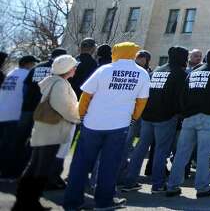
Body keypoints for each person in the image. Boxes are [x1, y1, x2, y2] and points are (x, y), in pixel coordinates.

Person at [63, 42, 150, 211]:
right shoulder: (142, 73)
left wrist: (81, 116)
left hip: (93, 123)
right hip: (119, 125)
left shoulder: (104, 70)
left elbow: (86, 96)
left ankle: (72, 202)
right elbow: (141, 102)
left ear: (116, 52)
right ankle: (104, 201)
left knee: (80, 164)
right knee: (110, 165)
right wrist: (133, 118)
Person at [13, 54, 81, 211]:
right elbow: (63, 107)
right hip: (52, 130)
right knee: (41, 168)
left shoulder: (53, 81)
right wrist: (78, 117)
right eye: (73, 66)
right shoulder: (60, 84)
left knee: (34, 165)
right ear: (68, 69)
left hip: (44, 128)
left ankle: (24, 200)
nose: (75, 69)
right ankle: (31, 202)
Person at [119, 46, 188, 193]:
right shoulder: (180, 74)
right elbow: (180, 98)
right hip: (166, 117)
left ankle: (129, 181)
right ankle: (157, 184)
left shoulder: (157, 70)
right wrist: (179, 113)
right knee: (161, 151)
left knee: (140, 148)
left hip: (148, 115)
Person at [165, 48, 210, 199]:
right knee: (204, 155)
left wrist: (185, 112)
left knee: (181, 153)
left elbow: (183, 94)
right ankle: (202, 187)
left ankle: (172, 185)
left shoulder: (194, 72)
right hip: (209, 117)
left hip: (189, 117)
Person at [0, 55, 38, 179]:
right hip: (15, 114)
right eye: (33, 64)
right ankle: (7, 173)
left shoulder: (11, 73)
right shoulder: (26, 75)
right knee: (12, 146)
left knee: (3, 144)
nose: (34, 67)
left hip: (3, 112)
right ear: (28, 64)